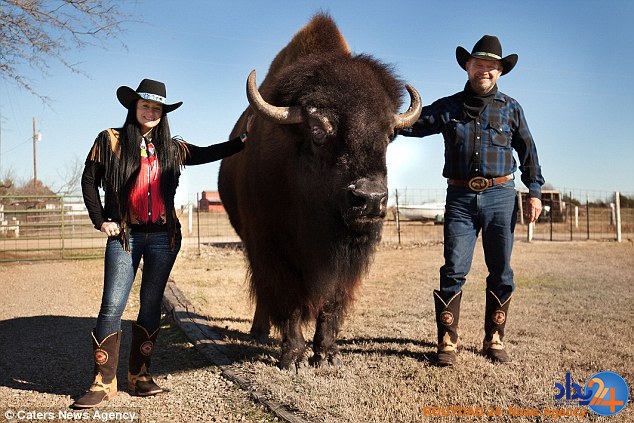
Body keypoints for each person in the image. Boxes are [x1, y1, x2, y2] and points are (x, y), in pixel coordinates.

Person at [73, 79, 251, 408]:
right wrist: (101, 221)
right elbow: (89, 179)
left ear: (163, 113)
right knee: (112, 304)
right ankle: (102, 381)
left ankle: (139, 375)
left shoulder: (172, 148)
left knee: (151, 304)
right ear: (134, 107)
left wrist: (244, 139)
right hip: (125, 235)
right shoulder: (109, 141)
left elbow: (210, 153)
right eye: (145, 106)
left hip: (163, 237)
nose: (151, 112)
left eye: (157, 108)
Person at [399, 35, 544, 366]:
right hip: (460, 199)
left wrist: (534, 191)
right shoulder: (449, 107)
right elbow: (413, 124)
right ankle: (447, 342)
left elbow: (528, 152)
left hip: (501, 197)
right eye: (479, 64)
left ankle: (494, 339)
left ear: (500, 71)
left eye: (492, 66)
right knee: (454, 268)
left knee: (501, 270)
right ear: (467, 66)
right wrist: (380, 120)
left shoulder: (512, 108)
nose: (485, 70)